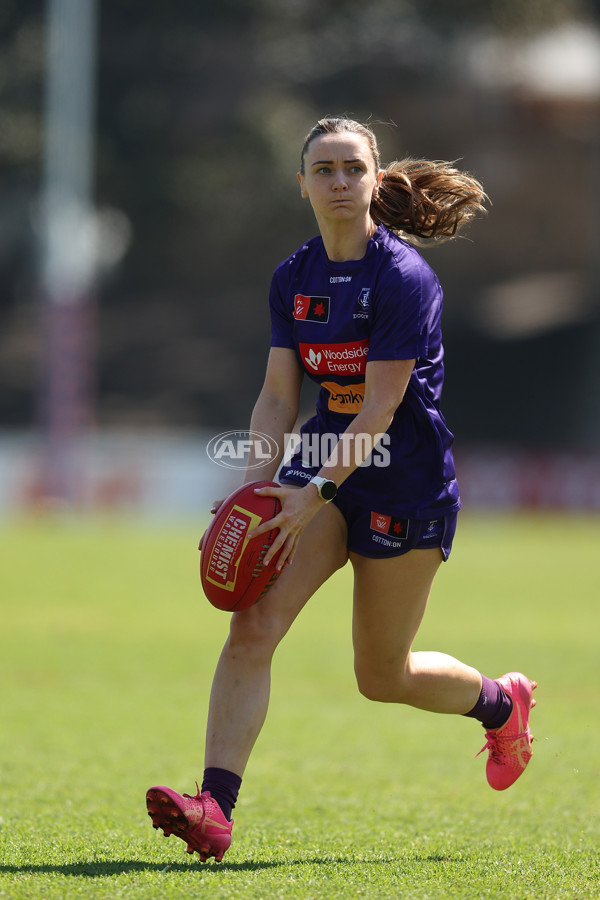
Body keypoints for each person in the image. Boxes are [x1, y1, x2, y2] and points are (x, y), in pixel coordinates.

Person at [146, 116, 537, 863]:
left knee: (381, 675)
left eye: (351, 168)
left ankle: (500, 702)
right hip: (322, 472)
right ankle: (213, 809)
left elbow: (382, 406)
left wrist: (316, 490)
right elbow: (275, 399)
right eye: (322, 169)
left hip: (406, 484)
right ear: (302, 184)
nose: (337, 181)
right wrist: (255, 494)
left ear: (376, 178)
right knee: (252, 626)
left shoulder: (403, 278)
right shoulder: (293, 277)